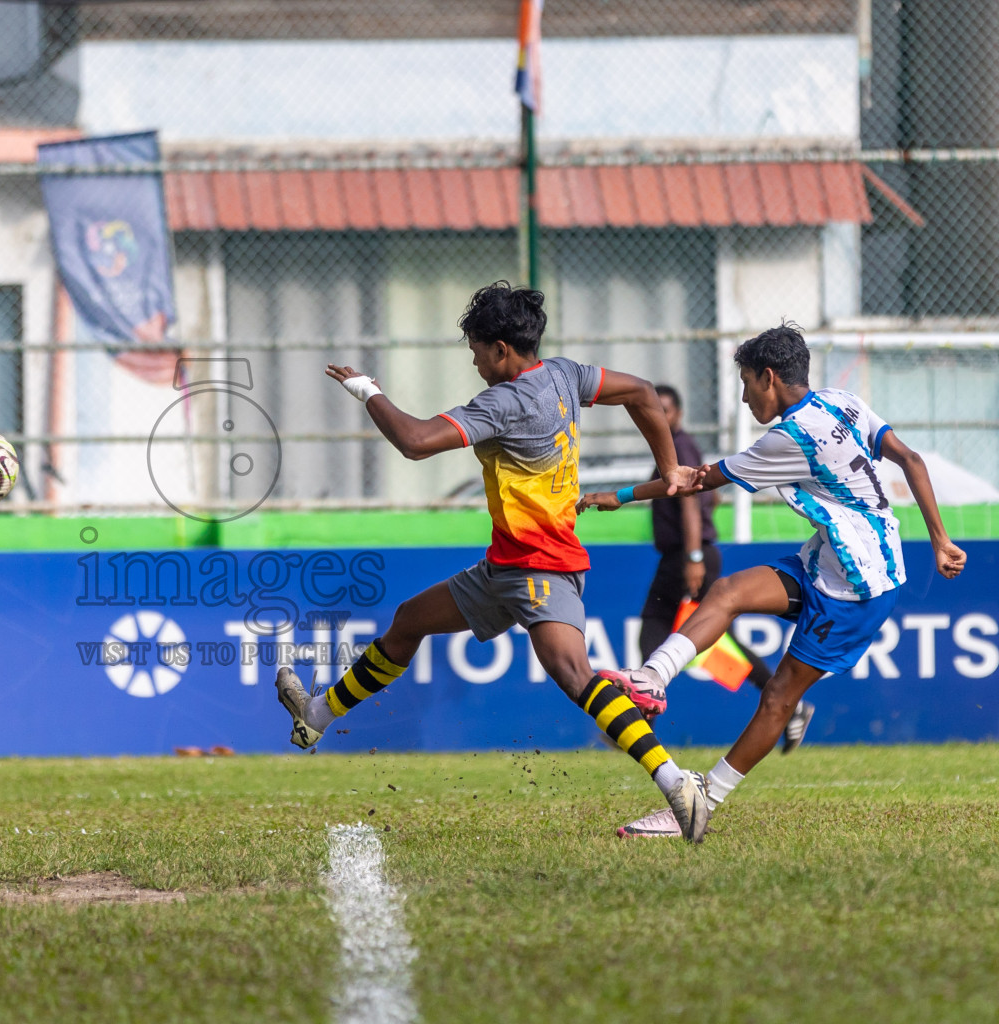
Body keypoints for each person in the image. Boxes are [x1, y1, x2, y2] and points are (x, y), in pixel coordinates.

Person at [272, 281, 714, 843]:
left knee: (573, 675)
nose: (475, 360)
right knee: (409, 621)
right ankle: (316, 718)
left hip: (539, 567)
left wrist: (368, 392)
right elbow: (644, 392)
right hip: (506, 567)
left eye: (478, 349)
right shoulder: (564, 375)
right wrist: (669, 467)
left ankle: (677, 785)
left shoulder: (503, 403)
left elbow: (413, 441)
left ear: (502, 349)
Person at [580, 324, 966, 837]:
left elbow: (697, 479)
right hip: (831, 557)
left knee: (780, 697)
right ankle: (651, 680)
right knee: (727, 592)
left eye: (745, 383)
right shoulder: (841, 402)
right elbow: (910, 458)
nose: (743, 397)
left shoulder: (788, 438)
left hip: (859, 584)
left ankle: (701, 805)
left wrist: (621, 495)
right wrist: (939, 540)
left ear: (768, 377)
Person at [636, 384, 814, 754]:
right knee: (697, 635)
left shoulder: (679, 446)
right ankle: (642, 715)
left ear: (678, 415)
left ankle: (641, 718)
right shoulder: (682, 448)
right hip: (687, 554)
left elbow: (690, 504)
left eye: (665, 411)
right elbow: (710, 496)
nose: (661, 420)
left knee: (671, 629)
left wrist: (694, 555)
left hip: (687, 556)